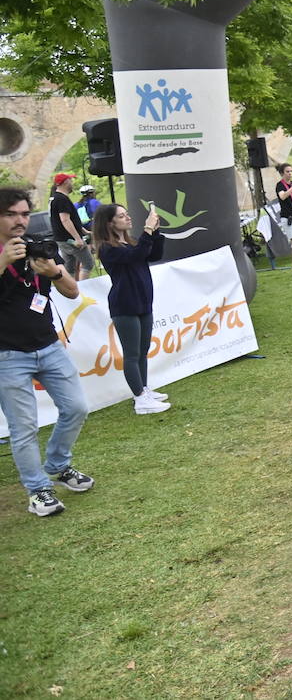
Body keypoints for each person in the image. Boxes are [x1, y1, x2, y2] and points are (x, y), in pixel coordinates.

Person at [0, 187, 92, 516]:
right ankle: (38, 490)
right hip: (7, 355)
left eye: (24, 213)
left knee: (77, 407)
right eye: (11, 214)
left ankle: (57, 465)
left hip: (48, 345)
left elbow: (71, 291)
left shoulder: (38, 248)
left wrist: (53, 271)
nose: (20, 220)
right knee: (23, 427)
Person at [91, 203, 170, 415]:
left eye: (127, 214)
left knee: (143, 350)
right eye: (122, 216)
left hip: (143, 302)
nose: (128, 218)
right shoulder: (108, 248)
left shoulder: (131, 242)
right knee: (132, 354)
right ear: (110, 223)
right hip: (124, 305)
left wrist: (155, 231)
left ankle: (143, 390)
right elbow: (135, 256)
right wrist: (147, 230)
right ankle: (140, 399)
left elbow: (153, 255)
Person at [49, 172, 92, 280]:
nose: (72, 183)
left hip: (62, 239)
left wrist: (84, 231)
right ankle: (83, 288)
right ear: (65, 182)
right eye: (70, 180)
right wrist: (78, 238)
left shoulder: (55, 198)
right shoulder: (62, 199)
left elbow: (68, 220)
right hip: (70, 240)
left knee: (70, 267)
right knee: (88, 263)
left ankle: (71, 289)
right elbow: (65, 220)